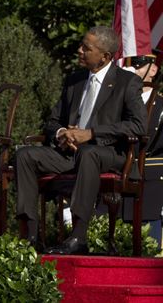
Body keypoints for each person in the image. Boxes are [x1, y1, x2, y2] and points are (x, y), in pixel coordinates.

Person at [15, 26, 146, 255]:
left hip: (110, 154)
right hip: (71, 154)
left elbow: (138, 125)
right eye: (81, 45)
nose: (80, 50)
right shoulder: (74, 81)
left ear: (105, 56)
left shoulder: (127, 82)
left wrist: (92, 133)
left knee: (89, 153)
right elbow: (52, 121)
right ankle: (32, 236)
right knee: (25, 155)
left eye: (87, 48)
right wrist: (63, 133)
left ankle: (78, 236)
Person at [121, 55, 163, 248]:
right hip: (120, 176)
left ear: (152, 70)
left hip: (151, 179)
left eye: (137, 66)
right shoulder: (119, 101)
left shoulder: (161, 105)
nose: (131, 71)